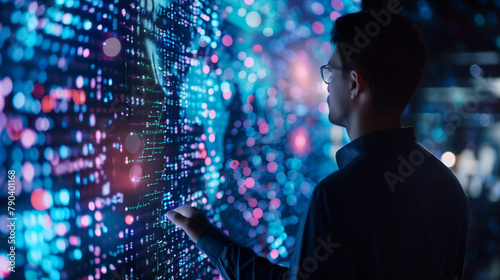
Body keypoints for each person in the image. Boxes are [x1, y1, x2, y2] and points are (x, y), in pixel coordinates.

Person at [166, 9, 469, 280]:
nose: (327, 82)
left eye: (331, 71)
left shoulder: (336, 197)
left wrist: (207, 238)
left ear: (353, 83)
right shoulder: (448, 187)